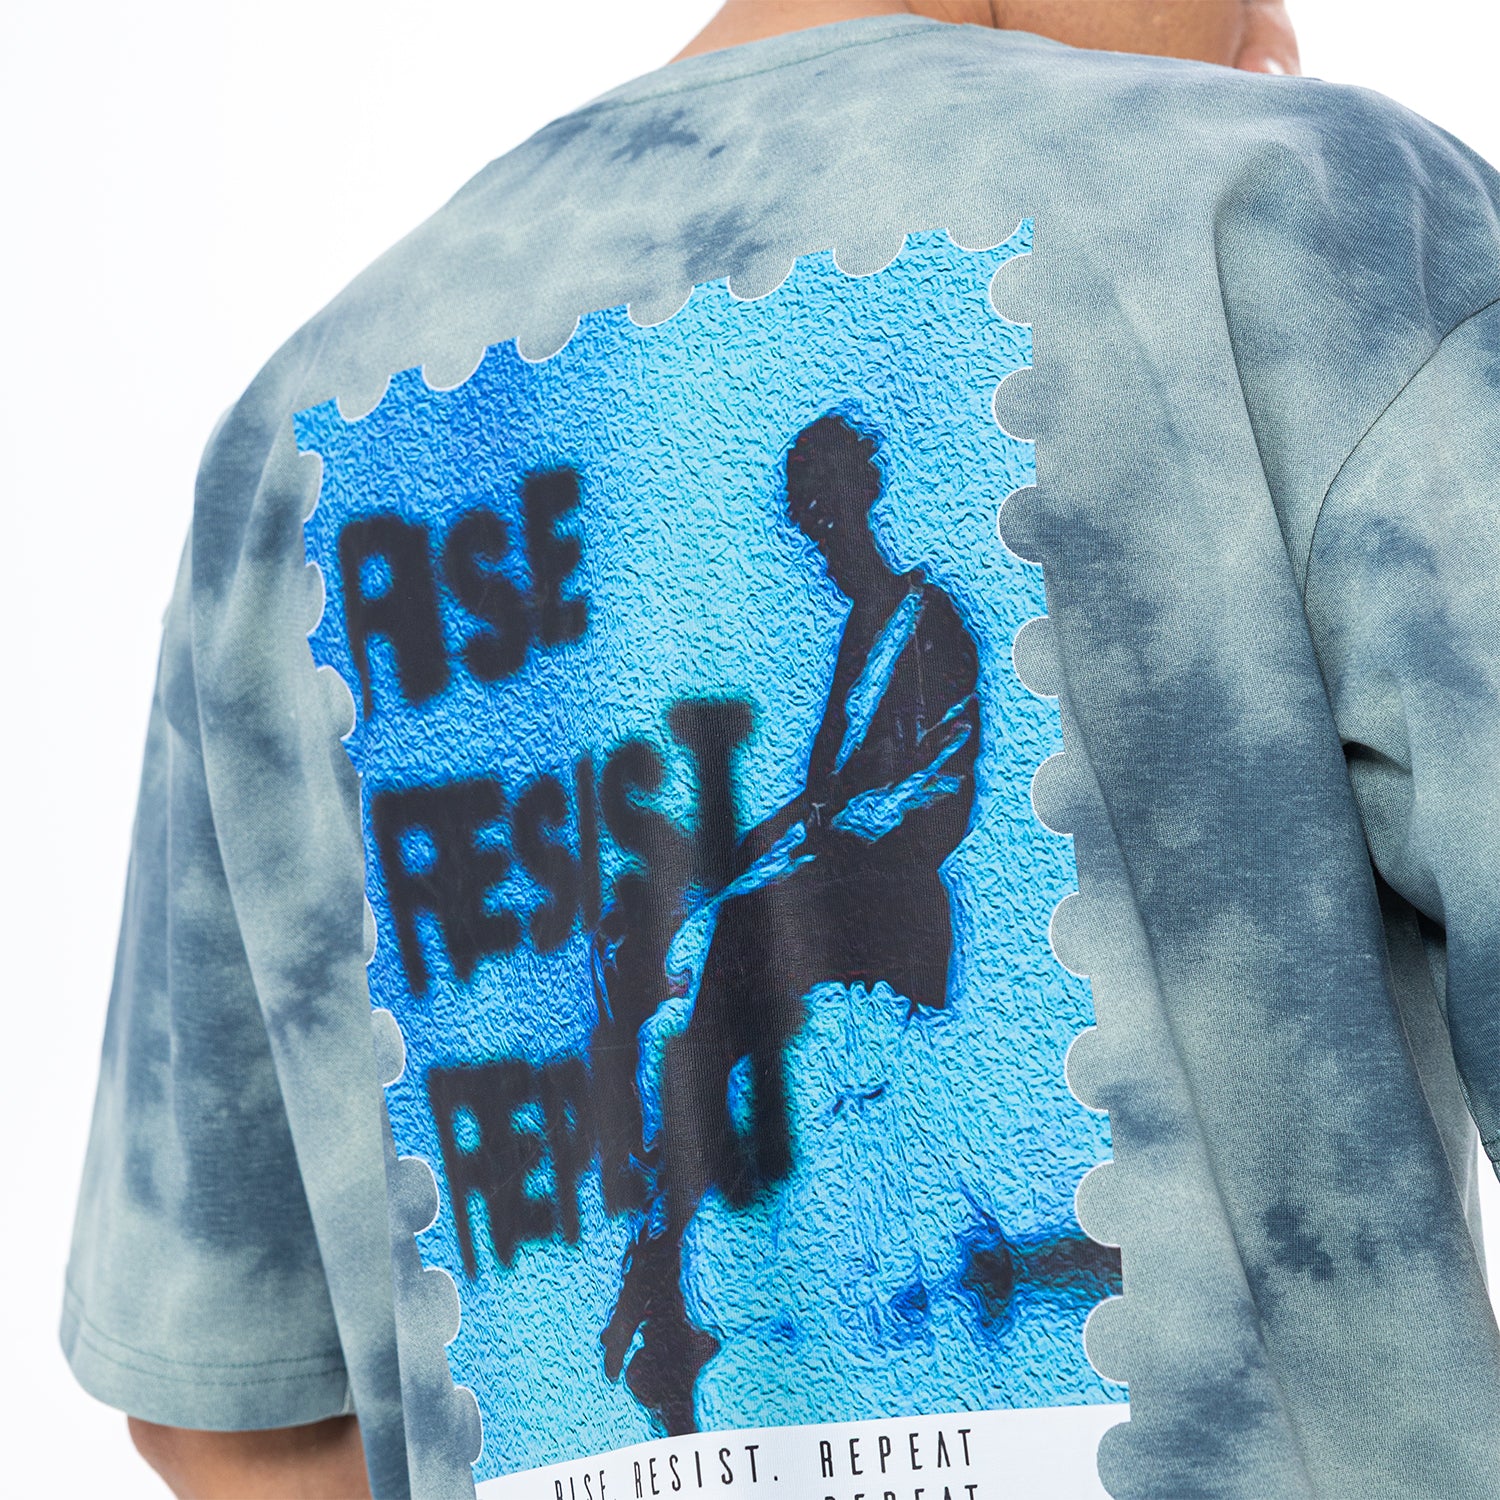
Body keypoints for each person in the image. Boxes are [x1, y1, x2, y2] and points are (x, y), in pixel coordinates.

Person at [61, 2, 1500, 1498]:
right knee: (675, 959)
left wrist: (765, 852)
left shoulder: (290, 441)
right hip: (850, 890)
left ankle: (659, 1285)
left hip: (896, 897)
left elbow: (237, 1423)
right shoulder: (1311, 218)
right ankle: (666, 1282)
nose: (1273, 26)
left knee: (708, 956)